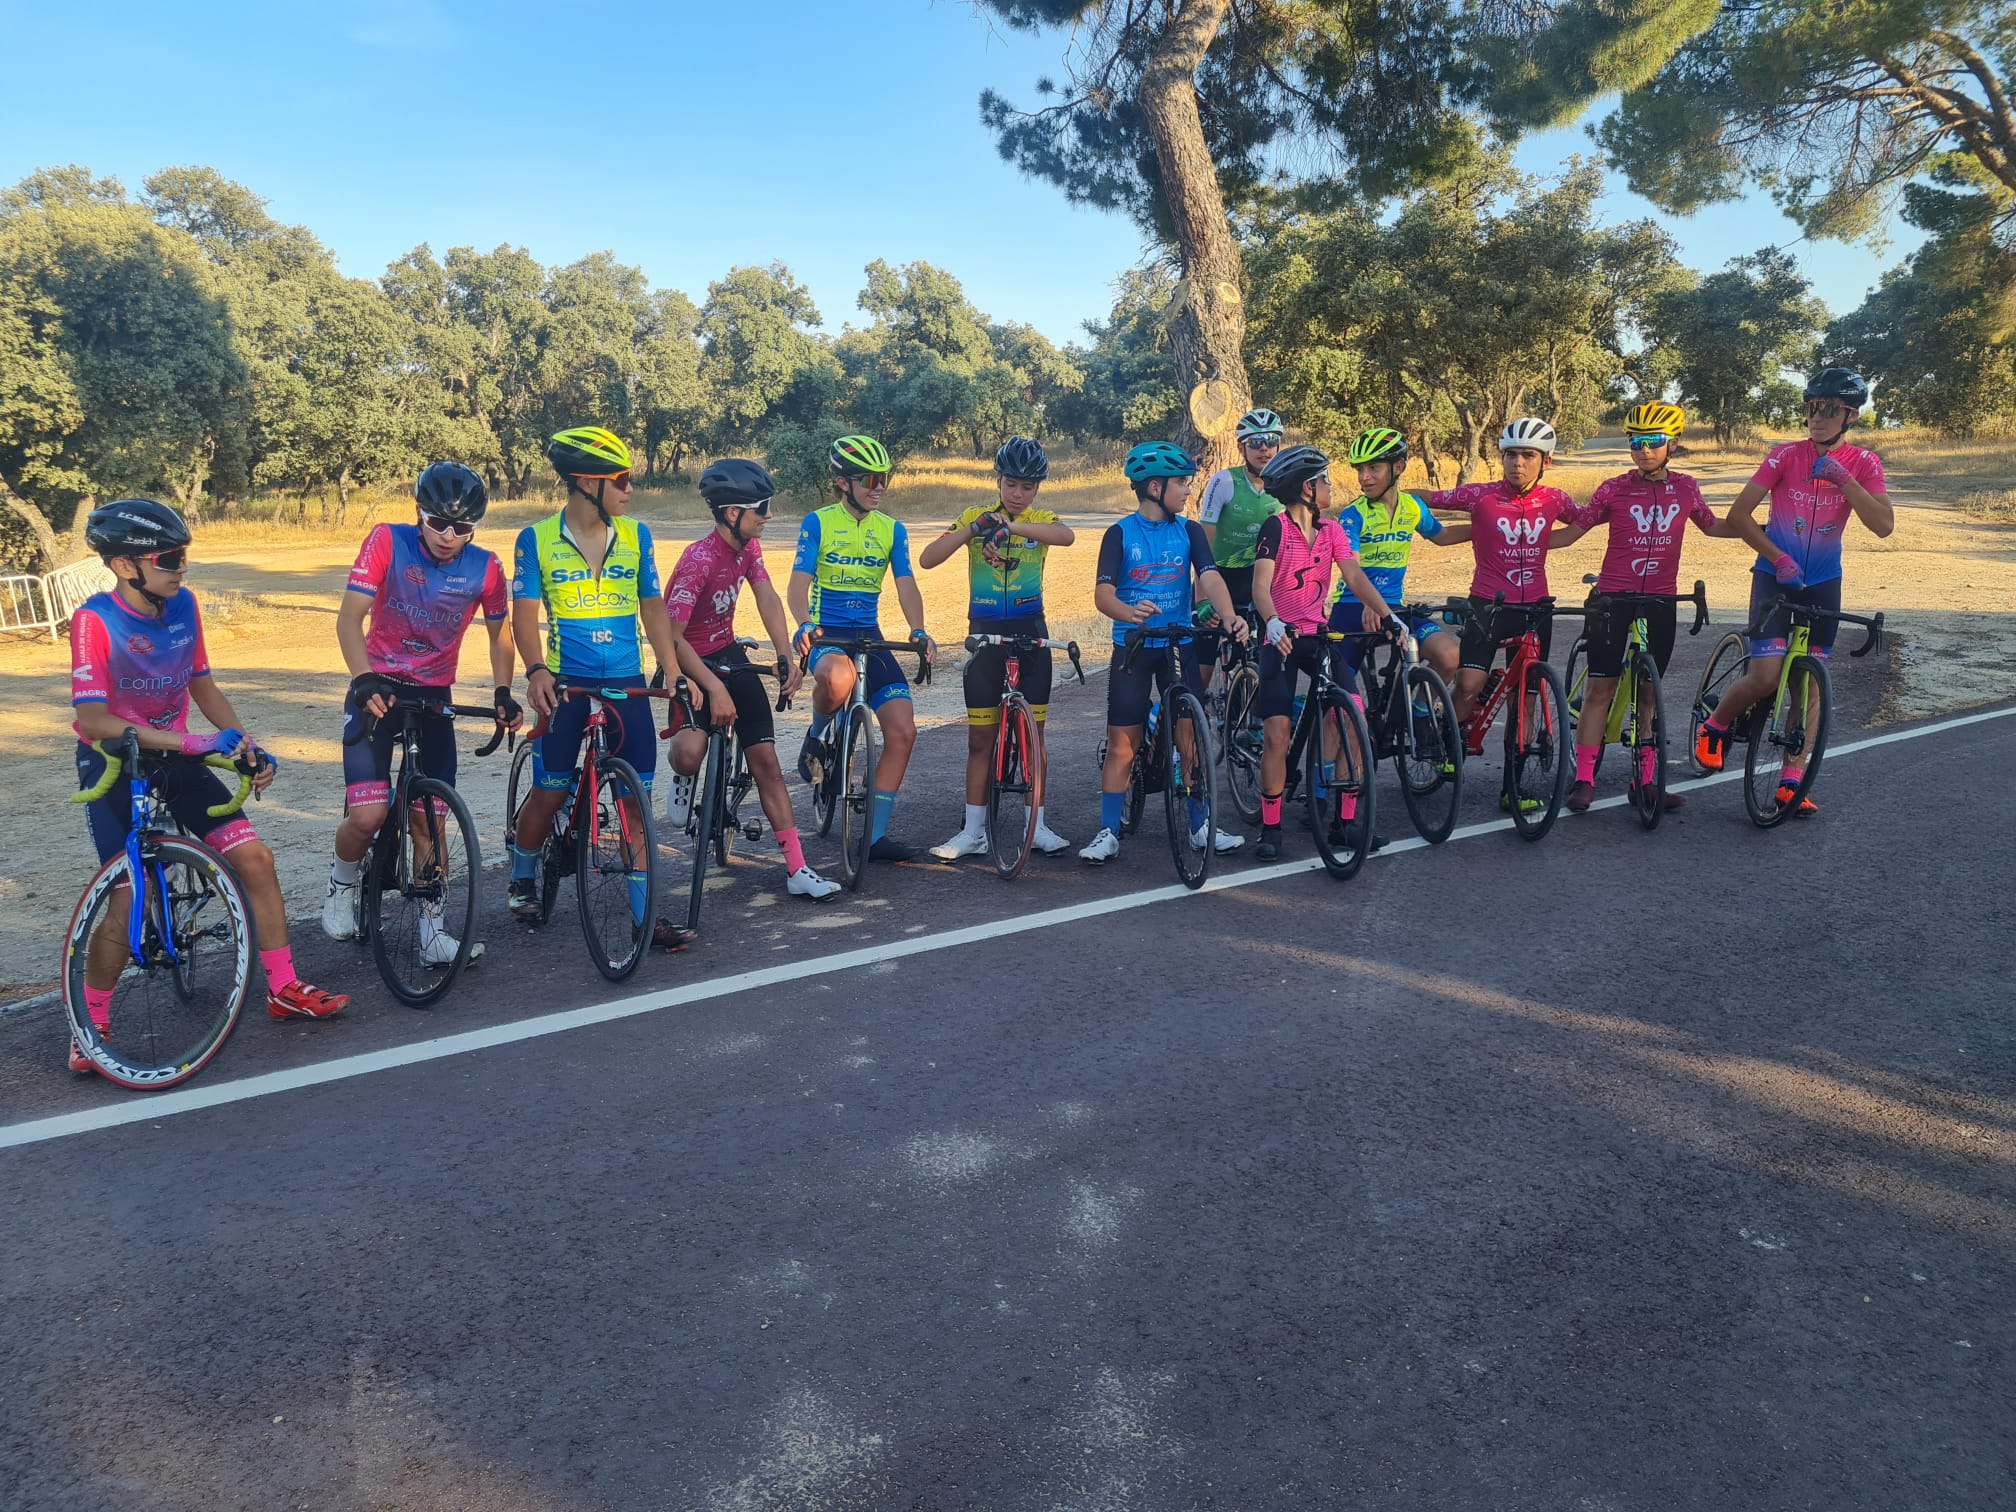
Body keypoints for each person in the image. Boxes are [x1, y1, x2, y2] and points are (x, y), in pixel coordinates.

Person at [67, 498, 348, 1073]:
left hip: (177, 754)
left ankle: (283, 987)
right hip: (115, 761)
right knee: (128, 897)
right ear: (126, 566)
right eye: (168, 558)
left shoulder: (183, 605)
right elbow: (93, 719)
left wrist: (243, 743)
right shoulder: (94, 620)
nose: (181, 568)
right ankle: (89, 1027)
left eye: (184, 556)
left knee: (256, 858)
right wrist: (191, 743)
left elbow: (203, 685)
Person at [324, 462, 521, 956]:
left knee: (429, 818)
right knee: (369, 814)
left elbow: (501, 634)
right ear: (419, 514)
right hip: (378, 687)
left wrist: (503, 690)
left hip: (434, 694)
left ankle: (433, 932)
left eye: (461, 528)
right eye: (437, 523)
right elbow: (350, 618)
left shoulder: (486, 568)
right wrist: (362, 675)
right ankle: (342, 883)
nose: (448, 536)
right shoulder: (387, 541)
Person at [507, 426, 688, 951]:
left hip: (626, 683)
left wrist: (669, 665)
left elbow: (652, 605)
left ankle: (643, 916)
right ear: (587, 483)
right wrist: (537, 670)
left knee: (634, 804)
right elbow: (523, 616)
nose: (630, 489)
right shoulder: (536, 539)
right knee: (551, 790)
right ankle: (522, 874)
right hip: (568, 684)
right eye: (622, 479)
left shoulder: (637, 536)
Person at [1691, 368, 1893, 815]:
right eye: (1810, 408)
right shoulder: (1784, 456)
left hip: (1823, 582)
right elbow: (1740, 516)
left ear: (1850, 416)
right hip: (1773, 576)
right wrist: (1777, 557)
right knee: (1765, 678)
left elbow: (1883, 527)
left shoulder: (1864, 463)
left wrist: (1846, 481)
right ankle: (1716, 724)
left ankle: (1791, 777)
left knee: (1809, 686)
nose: (1816, 418)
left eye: (1827, 409)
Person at [662, 458, 840, 902]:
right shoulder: (697, 561)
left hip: (727, 654)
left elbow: (766, 596)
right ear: (731, 513)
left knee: (767, 763)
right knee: (688, 753)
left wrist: (785, 654)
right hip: (688, 661)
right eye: (762, 508)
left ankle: (797, 868)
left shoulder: (749, 549)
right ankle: (685, 777)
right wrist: (713, 687)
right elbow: (672, 639)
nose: (770, 515)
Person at [1080, 440, 1249, 864]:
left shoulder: (1189, 530)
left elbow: (1209, 578)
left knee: (1190, 736)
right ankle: (1108, 830)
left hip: (1180, 643)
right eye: (1181, 483)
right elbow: (1103, 594)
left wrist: (1228, 616)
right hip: (1134, 648)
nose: (1188, 490)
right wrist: (1129, 611)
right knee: (1124, 743)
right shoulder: (1119, 534)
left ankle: (1199, 825)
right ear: (1154, 487)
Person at [1562, 402, 1731, 813]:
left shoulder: (1687, 488)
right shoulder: (1613, 487)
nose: (1643, 450)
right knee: (1601, 689)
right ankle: (1584, 778)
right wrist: (1524, 537)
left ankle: (1646, 780)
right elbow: (1575, 528)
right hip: (1612, 599)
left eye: (1653, 442)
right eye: (1636, 442)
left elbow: (1714, 527)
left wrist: (1763, 530)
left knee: (1650, 693)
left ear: (1672, 443)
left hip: (1660, 599)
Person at [1418, 417, 1589, 812]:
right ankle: (1447, 737)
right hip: (1488, 606)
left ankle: (1512, 786)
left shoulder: (1555, 499)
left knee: (1525, 699)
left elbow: (1583, 521)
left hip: (1536, 608)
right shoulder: (1482, 496)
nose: (1517, 463)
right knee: (1470, 686)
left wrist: (1548, 543)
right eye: (1511, 454)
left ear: (1545, 461)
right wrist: (1390, 487)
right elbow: (1430, 497)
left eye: (1528, 455)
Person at [919, 436, 1077, 861]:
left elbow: (1066, 536)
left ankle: (1036, 824)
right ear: (998, 480)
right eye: (1011, 484)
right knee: (980, 739)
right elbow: (928, 559)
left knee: (1036, 736)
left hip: (1031, 634)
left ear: (1038, 489)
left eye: (1028, 487)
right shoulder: (975, 515)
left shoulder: (1040, 518)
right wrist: (976, 529)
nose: (1018, 494)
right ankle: (973, 831)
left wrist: (1013, 527)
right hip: (985, 635)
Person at [1248, 446, 1406, 860]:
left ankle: (1345, 824)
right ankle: (1270, 827)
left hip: (1319, 636)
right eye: (1325, 480)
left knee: (1352, 717)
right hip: (1280, 638)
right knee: (1277, 737)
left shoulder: (1333, 531)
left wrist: (1387, 615)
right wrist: (1272, 620)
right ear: (1306, 488)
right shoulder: (1275, 528)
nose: (1330, 486)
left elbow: (1353, 575)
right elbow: (1261, 585)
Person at [788, 435, 936, 863]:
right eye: (869, 479)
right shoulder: (818, 522)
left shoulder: (892, 529)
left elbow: (905, 582)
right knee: (837, 678)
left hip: (868, 634)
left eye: (883, 478)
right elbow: (798, 583)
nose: (879, 487)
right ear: (842, 482)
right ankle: (816, 737)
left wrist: (918, 629)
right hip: (828, 633)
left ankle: (874, 836)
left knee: (904, 730)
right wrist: (804, 623)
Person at [1327, 426, 1467, 688]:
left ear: (1398, 467)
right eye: (1360, 470)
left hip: (1395, 607)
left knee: (1449, 656)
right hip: (1352, 607)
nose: (1364, 478)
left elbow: (1442, 536)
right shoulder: (1353, 514)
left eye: (1373, 468)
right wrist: (1370, 601)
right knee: (1339, 700)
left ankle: (1418, 717)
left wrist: (1483, 530)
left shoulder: (1412, 506)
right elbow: (1351, 568)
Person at [1195, 408, 1284, 685]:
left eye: (1270, 440)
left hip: (1259, 578)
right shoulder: (1224, 482)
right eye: (1255, 442)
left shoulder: (1283, 484)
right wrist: (1201, 600)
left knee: (1269, 658)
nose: (1264, 449)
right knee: (1203, 663)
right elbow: (1202, 546)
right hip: (1219, 575)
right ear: (1241, 447)